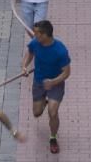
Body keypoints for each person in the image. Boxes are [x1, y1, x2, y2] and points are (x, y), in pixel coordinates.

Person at [22, 20, 71, 155]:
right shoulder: (35, 43)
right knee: (37, 113)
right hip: (38, 82)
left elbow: (66, 73)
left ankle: (53, 138)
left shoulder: (60, 51)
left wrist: (53, 82)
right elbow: (29, 53)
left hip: (56, 84)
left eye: (37, 33)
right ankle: (44, 101)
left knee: (53, 112)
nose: (34, 35)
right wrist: (24, 66)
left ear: (45, 35)